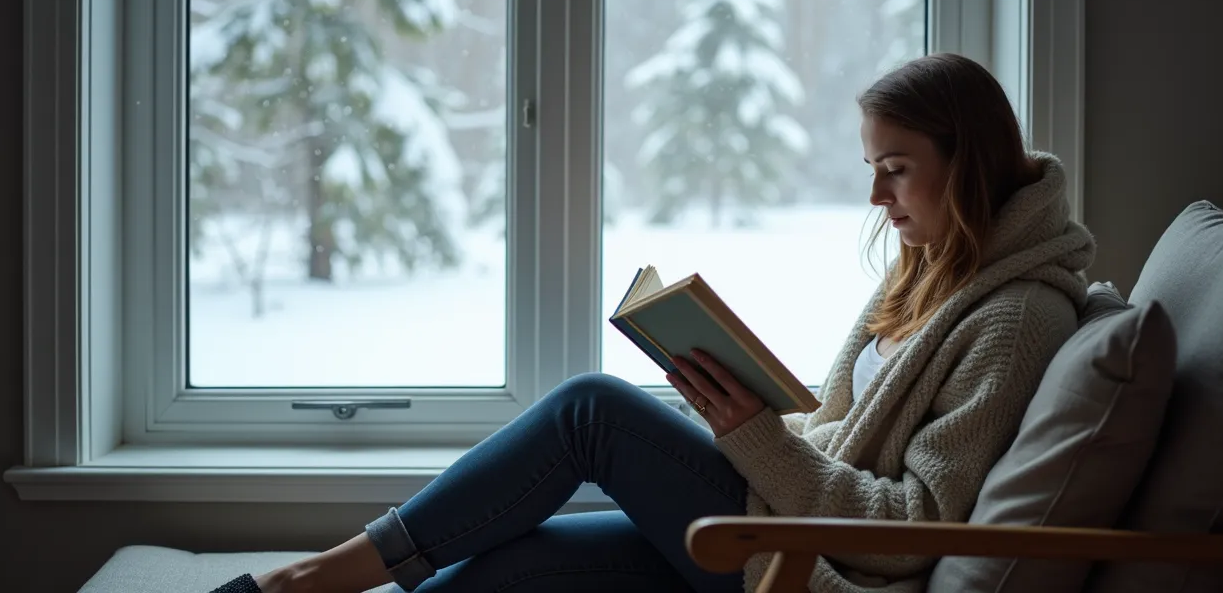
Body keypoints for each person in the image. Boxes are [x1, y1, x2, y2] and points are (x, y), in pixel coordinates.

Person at [213, 52, 1095, 593]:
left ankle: (304, 582)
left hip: (817, 569)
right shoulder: (937, 265)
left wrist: (756, 439)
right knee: (504, 570)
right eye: (873, 167)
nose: (875, 195)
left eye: (896, 169)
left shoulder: (1015, 319)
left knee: (591, 410)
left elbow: (911, 534)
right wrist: (757, 412)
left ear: (968, 162)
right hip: (777, 514)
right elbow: (844, 431)